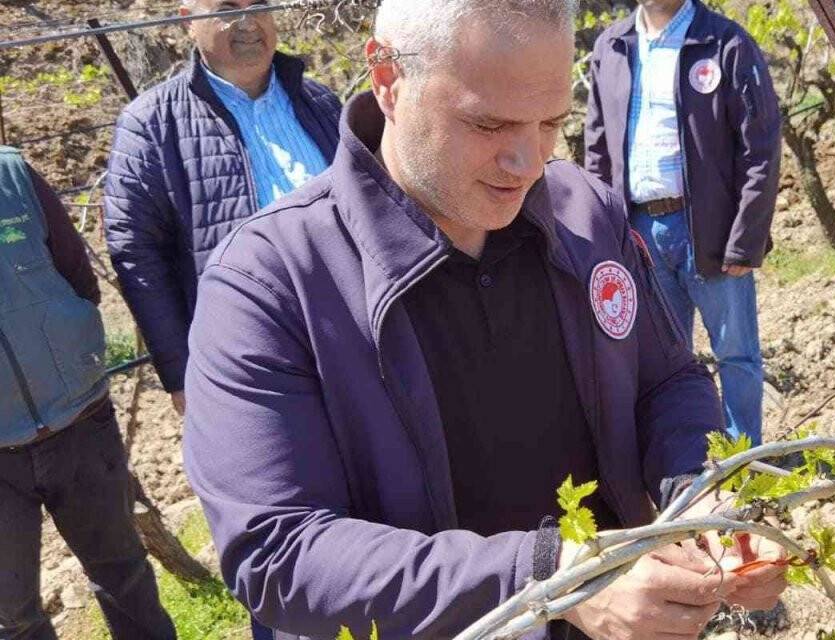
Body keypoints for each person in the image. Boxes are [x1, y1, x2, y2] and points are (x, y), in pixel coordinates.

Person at [181, 0, 789, 638]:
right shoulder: (267, 285)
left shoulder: (585, 214)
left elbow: (666, 381)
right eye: (489, 125)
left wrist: (702, 495)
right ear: (387, 81)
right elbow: (279, 553)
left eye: (551, 123)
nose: (528, 164)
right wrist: (553, 579)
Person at [104, 0, 342, 416]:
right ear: (187, 21)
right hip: (250, 360)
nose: (248, 23)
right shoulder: (151, 124)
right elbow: (137, 253)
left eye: (261, 6)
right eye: (228, 8)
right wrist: (181, 372)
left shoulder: (319, 102)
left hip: (349, 337)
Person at [584, 0, 782, 446]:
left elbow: (760, 149)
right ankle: (684, 461)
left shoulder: (725, 44)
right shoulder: (611, 47)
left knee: (736, 355)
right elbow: (596, 148)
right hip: (637, 233)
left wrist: (745, 238)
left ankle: (741, 461)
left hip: (708, 229)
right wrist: (602, 232)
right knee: (662, 362)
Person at [0, 149, 175, 639]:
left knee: (125, 576)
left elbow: (78, 277)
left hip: (79, 418)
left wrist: (67, 340)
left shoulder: (11, 175)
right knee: (12, 617)